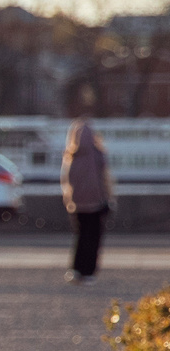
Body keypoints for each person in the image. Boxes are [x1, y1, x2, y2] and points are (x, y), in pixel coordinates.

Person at [64, 118, 112, 283]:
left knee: (80, 237)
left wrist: (69, 199)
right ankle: (89, 271)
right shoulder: (97, 154)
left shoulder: (71, 154)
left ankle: (77, 269)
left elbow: (67, 179)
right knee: (93, 238)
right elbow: (105, 178)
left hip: (77, 204)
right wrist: (108, 197)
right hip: (96, 202)